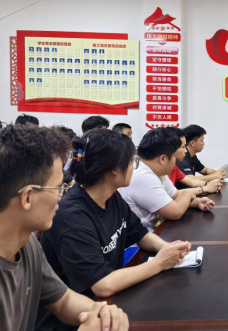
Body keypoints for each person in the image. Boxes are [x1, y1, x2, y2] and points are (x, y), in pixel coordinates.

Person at [38, 129, 191, 330]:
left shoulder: (112, 197)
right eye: (131, 162)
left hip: (108, 305)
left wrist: (168, 248)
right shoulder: (73, 218)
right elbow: (103, 285)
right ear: (114, 169)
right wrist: (160, 263)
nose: (133, 167)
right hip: (78, 321)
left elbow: (141, 235)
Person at [0, 124, 128, 331]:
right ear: (28, 197)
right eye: (59, 187)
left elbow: (63, 300)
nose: (62, 196)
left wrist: (102, 313)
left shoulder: (27, 243)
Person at [119, 128, 217, 231]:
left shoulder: (157, 169)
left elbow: (175, 195)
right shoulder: (142, 175)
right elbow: (175, 212)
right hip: (144, 237)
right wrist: (188, 194)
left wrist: (198, 202)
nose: (175, 161)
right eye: (174, 156)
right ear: (163, 159)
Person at [165, 127, 222, 191]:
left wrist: (208, 184)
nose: (185, 150)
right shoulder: (180, 161)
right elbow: (176, 193)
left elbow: (191, 182)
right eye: (183, 147)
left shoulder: (174, 168)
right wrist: (207, 186)